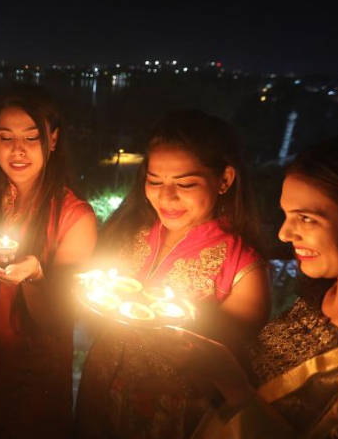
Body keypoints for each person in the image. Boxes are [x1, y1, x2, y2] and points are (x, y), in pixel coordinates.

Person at [159, 130, 338, 438]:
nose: (285, 234)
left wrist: (233, 386)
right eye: (286, 215)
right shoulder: (318, 299)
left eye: (307, 218)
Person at [74, 111, 271, 439]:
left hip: (174, 415)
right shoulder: (132, 235)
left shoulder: (242, 268)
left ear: (224, 180)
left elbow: (232, 363)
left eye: (185, 184)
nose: (166, 197)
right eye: (155, 181)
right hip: (100, 392)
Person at [0, 84, 97, 438]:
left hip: (34, 367)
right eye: (6, 138)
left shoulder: (74, 216)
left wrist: (34, 276)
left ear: (53, 140)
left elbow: (59, 318)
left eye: (31, 138)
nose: (17, 150)